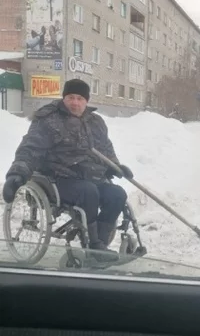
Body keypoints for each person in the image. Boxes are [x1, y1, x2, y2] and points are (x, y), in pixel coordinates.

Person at [2, 79, 133, 262]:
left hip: (90, 176)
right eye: (70, 97)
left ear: (86, 101)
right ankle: (93, 245)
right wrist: (17, 173)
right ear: (64, 98)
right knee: (89, 192)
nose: (75, 102)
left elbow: (106, 149)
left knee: (117, 194)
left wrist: (115, 166)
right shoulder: (48, 119)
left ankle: (100, 245)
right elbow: (30, 148)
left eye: (80, 98)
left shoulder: (96, 122)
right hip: (58, 177)